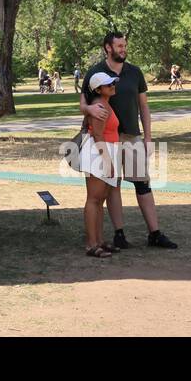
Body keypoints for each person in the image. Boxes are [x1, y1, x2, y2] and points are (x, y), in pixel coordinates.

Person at [80, 31, 178, 250]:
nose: (123, 49)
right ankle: (119, 234)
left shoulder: (134, 72)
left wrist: (148, 137)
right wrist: (89, 109)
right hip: (107, 138)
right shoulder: (95, 72)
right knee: (112, 186)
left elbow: (144, 106)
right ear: (108, 47)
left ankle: (155, 233)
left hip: (132, 135)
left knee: (142, 183)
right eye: (119, 46)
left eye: (125, 46)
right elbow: (83, 104)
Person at [81, 71, 120, 258]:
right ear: (98, 89)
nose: (113, 86)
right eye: (108, 84)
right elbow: (97, 134)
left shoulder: (105, 104)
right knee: (94, 199)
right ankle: (91, 244)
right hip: (98, 153)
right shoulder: (99, 106)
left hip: (107, 150)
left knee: (101, 199)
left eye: (113, 83)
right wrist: (106, 160)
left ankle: (100, 241)